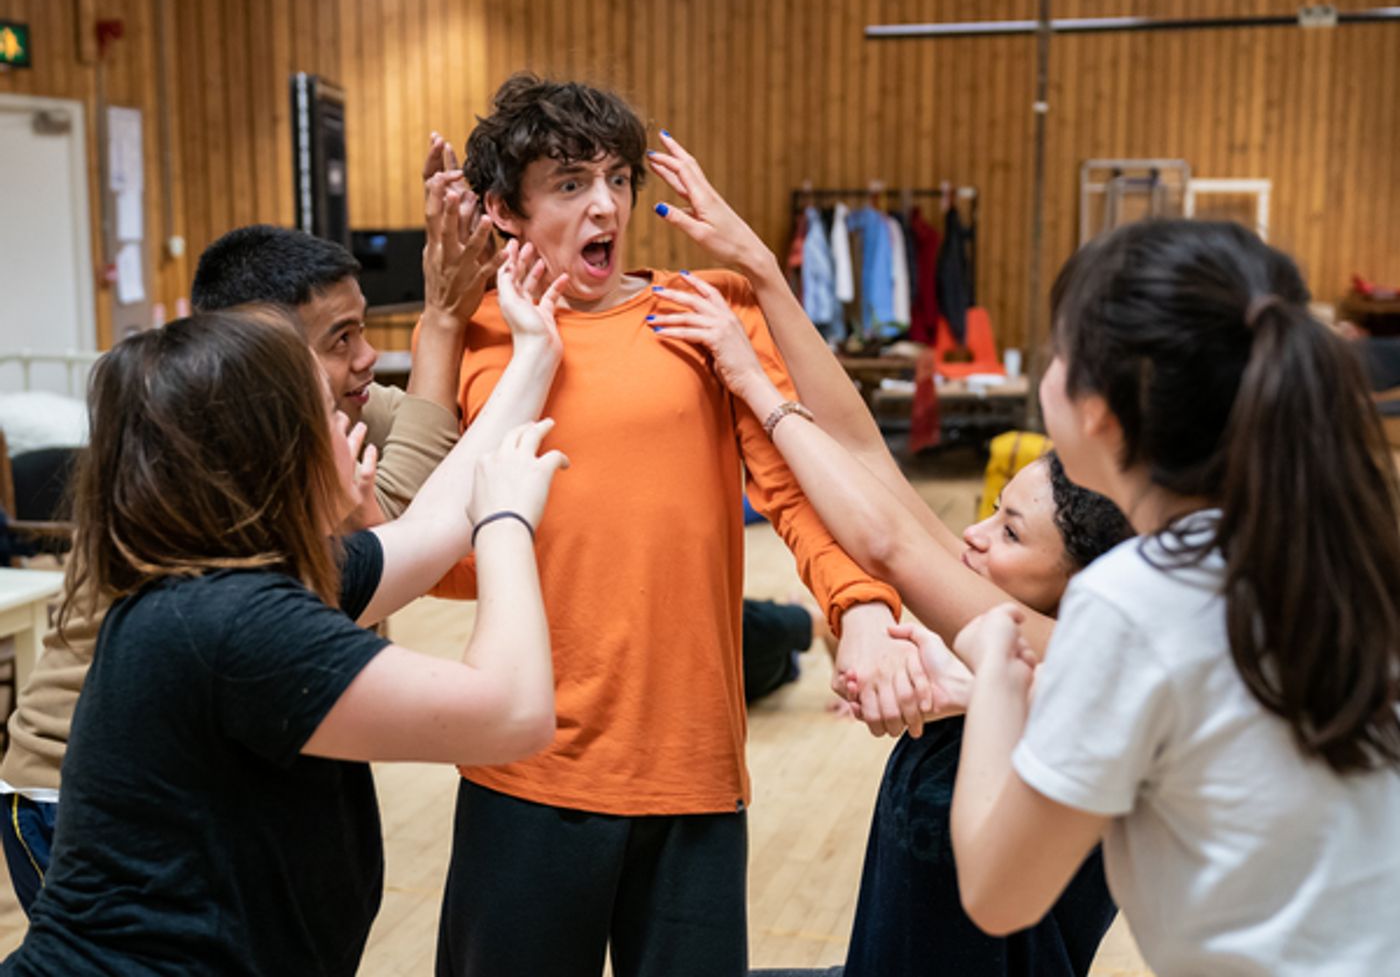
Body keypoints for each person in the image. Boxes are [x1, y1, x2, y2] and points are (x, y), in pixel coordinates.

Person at [429, 73, 915, 977]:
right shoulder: (480, 334)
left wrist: (861, 610)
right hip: (524, 768)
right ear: (503, 209)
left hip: (689, 772)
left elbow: (794, 490)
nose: (606, 204)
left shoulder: (706, 312)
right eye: (570, 183)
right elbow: (451, 558)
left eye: (617, 178)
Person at [1, 242, 570, 974]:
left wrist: (535, 352)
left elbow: (432, 526)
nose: (350, 423)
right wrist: (507, 525)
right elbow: (514, 711)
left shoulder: (244, 577)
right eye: (322, 411)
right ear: (274, 449)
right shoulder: (230, 622)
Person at [642, 136, 1134, 974]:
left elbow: (887, 541)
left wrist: (754, 384)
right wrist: (762, 271)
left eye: (1012, 533)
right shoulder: (1002, 632)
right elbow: (866, 451)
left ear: (1083, 582)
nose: (973, 535)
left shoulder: (1062, 649)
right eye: (992, 514)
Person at [948, 220, 1400, 976]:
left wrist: (994, 668)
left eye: (1059, 353)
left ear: (1100, 408)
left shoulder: (1134, 598)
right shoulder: (1344, 552)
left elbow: (999, 894)